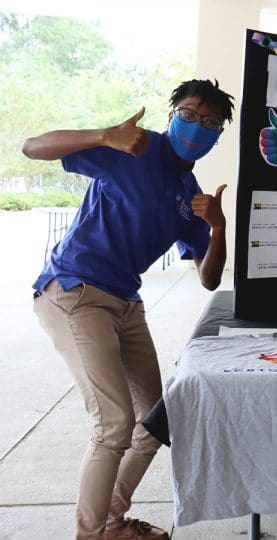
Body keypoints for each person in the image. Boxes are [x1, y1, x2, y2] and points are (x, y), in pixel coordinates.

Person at [24, 79, 235, 540]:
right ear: (171, 114)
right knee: (114, 424)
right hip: (76, 291)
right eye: (190, 114)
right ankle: (90, 534)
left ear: (218, 137)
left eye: (211, 123)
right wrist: (103, 134)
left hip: (125, 303)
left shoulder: (190, 192)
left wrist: (217, 227)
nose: (198, 126)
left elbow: (210, 279)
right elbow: (32, 147)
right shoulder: (132, 148)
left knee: (156, 420)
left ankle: (112, 522)